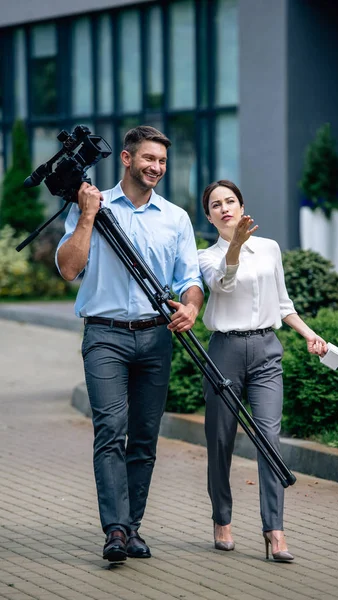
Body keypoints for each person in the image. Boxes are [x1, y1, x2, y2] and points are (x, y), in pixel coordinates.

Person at [56, 125, 204, 562]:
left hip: (157, 337)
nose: (156, 167)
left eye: (161, 161)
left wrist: (192, 307)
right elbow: (68, 269)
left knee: (144, 438)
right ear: (126, 158)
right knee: (110, 431)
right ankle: (115, 531)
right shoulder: (93, 205)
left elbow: (190, 279)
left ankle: (132, 526)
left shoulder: (175, 218)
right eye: (148, 159)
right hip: (104, 335)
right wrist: (85, 216)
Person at [198, 180, 327, 562]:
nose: (225, 208)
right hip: (225, 351)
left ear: (242, 206)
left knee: (270, 440)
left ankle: (275, 530)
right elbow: (222, 284)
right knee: (220, 441)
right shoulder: (206, 256)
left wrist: (309, 334)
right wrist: (234, 245)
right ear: (208, 216)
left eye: (231, 201)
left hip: (267, 350)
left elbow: (283, 303)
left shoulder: (269, 248)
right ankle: (222, 519)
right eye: (216, 204)